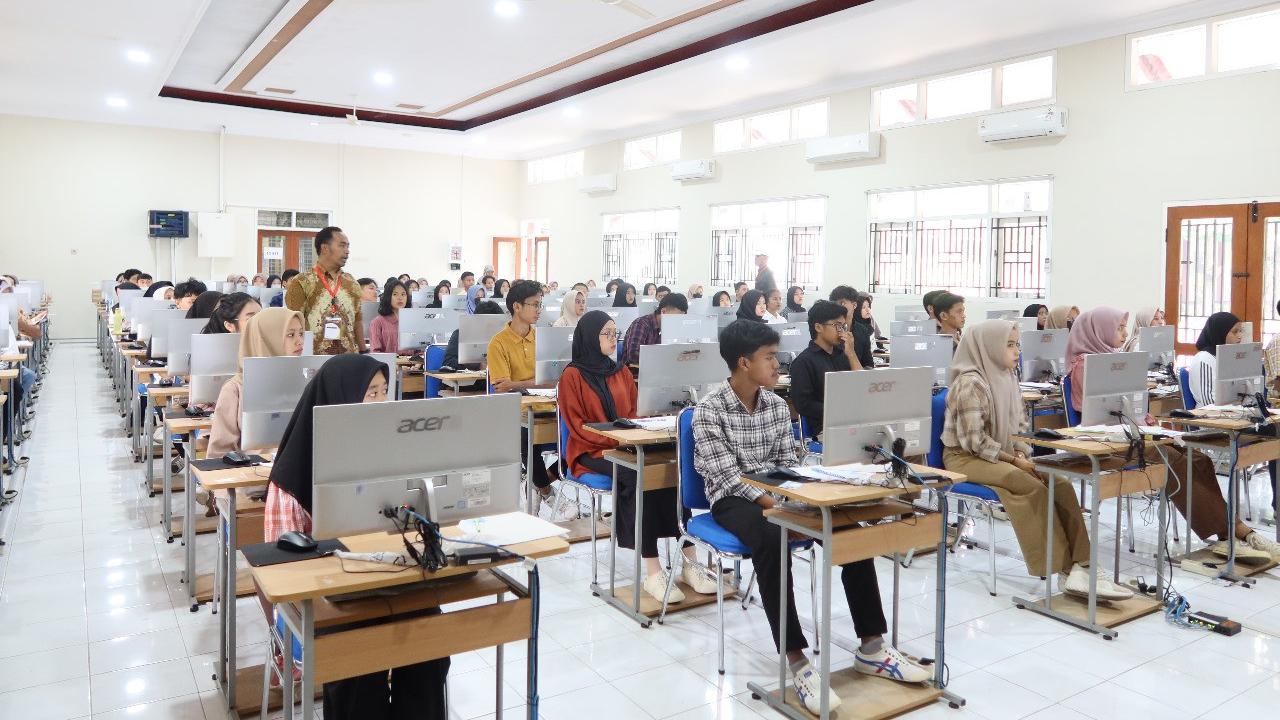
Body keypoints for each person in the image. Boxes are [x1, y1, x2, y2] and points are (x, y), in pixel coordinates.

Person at [695, 320, 929, 713]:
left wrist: (813, 491)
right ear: (742, 362)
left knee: (848, 528)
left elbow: (790, 462)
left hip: (781, 490)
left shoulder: (773, 404)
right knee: (772, 538)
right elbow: (728, 477)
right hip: (733, 498)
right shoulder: (709, 409)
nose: (776, 364)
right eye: (768, 357)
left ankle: (872, 646)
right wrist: (779, 506)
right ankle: (798, 662)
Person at [264, 354, 449, 719]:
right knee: (361, 671)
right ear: (338, 399)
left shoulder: (392, 452)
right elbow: (281, 567)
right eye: (370, 393)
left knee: (429, 652)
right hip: (336, 598)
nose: (380, 402)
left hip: (396, 579)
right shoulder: (293, 476)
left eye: (384, 391)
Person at [1068, 308, 1279, 561]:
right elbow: (1096, 411)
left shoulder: (1112, 359)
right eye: (1119, 328)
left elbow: (1127, 406)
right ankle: (1235, 532)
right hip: (1108, 441)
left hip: (1133, 435)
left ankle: (1226, 534)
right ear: (1098, 330)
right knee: (1175, 460)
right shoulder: (1084, 365)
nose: (1125, 333)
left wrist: (1147, 421)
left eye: (1125, 327)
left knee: (1198, 458)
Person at [560, 310, 719, 601]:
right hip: (591, 449)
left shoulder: (620, 371)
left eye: (614, 333)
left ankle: (689, 563)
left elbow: (634, 413)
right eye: (606, 334)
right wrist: (618, 440)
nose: (613, 339)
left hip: (627, 444)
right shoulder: (572, 375)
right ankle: (653, 572)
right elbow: (577, 426)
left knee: (671, 471)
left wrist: (638, 431)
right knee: (639, 475)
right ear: (590, 338)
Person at [487, 280, 572, 520]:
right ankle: (548, 491)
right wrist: (535, 382)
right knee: (528, 438)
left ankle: (537, 484)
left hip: (549, 405)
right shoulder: (498, 343)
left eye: (540, 305)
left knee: (577, 437)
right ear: (516, 306)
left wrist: (521, 383)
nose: (539, 310)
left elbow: (557, 379)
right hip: (516, 410)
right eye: (534, 304)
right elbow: (502, 386)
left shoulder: (543, 338)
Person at [208, 308, 306, 459]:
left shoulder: (306, 383)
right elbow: (219, 455)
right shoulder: (236, 389)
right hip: (254, 478)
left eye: (301, 333)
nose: (299, 341)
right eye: (290, 335)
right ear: (266, 339)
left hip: (298, 473)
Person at [285, 227, 364, 355]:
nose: (347, 251)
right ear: (325, 248)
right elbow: (293, 323)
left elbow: (358, 320)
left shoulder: (352, 282)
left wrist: (363, 351)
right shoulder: (301, 282)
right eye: (342, 246)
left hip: (349, 360)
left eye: (348, 247)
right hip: (314, 360)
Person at [790, 300, 864, 434]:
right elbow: (803, 404)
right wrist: (838, 411)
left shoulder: (844, 354)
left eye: (843, 326)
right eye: (837, 325)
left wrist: (852, 354)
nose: (841, 331)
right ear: (818, 327)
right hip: (824, 430)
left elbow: (864, 387)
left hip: (853, 423)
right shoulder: (803, 362)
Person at [1187, 311, 1246, 407]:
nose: (1240, 336)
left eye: (1241, 331)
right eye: (1235, 332)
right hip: (1209, 419)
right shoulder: (1204, 360)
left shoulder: (1229, 358)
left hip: (1233, 415)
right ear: (1220, 333)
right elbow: (1208, 404)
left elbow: (1241, 395)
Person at [622, 293, 687, 365]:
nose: (678, 322)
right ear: (663, 312)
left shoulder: (669, 328)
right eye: (676, 318)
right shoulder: (641, 324)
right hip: (636, 372)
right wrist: (664, 359)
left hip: (660, 371)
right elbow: (633, 356)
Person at [369, 280, 413, 354]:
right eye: (395, 294)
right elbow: (375, 352)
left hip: (413, 364)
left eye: (403, 294)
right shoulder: (377, 322)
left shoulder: (412, 321)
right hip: (388, 364)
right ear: (388, 297)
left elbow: (420, 349)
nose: (400, 298)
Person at [848, 294, 876, 368]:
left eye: (869, 306)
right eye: (863, 307)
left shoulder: (868, 326)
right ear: (856, 309)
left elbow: (869, 362)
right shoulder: (855, 328)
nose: (867, 310)